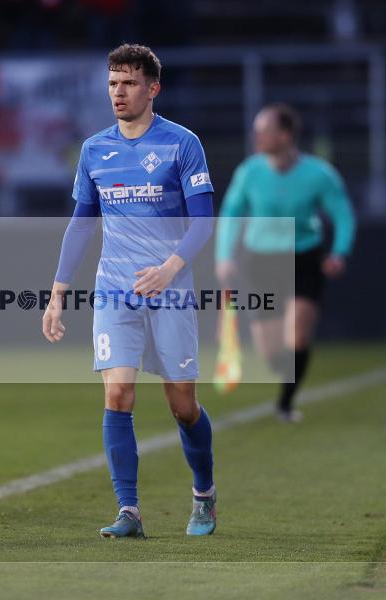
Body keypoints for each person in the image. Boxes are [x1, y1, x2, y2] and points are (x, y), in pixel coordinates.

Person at [42, 44, 217, 538]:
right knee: (117, 393)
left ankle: (203, 492)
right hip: (115, 291)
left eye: (130, 83)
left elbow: (203, 222)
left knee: (183, 406)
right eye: (113, 83)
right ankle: (129, 512)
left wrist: (170, 268)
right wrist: (57, 292)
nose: (119, 92)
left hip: (171, 291)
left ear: (153, 88)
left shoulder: (182, 144)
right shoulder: (95, 149)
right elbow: (81, 224)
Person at [215, 103, 356, 422]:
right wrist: (224, 257)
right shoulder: (249, 172)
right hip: (261, 260)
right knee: (271, 351)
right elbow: (231, 214)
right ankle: (286, 373)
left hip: (303, 256)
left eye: (263, 130)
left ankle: (285, 404)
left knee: (298, 336)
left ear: (285, 134)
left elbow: (343, 214)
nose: (257, 136)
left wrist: (339, 252)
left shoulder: (319, 175)